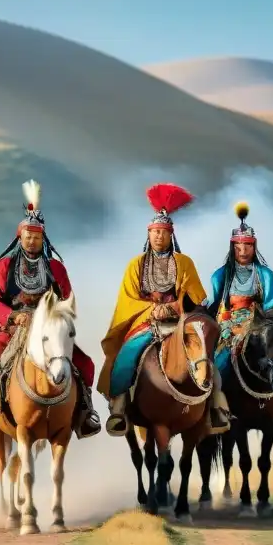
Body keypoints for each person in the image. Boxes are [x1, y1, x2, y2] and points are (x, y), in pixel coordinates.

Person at [0, 180, 101, 441]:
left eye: (36, 237)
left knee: (85, 364)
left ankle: (86, 411)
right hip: (13, 327)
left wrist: (54, 318)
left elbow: (67, 300)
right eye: (28, 236)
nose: (32, 241)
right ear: (20, 236)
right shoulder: (4, 266)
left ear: (43, 239)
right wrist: (13, 316)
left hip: (48, 330)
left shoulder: (56, 269)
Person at [98, 183, 230, 437]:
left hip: (180, 321)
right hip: (146, 324)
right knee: (128, 353)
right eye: (154, 232)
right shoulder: (136, 264)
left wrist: (174, 306)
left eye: (163, 232)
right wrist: (151, 311)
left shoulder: (184, 263)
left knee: (204, 354)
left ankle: (216, 406)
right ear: (148, 234)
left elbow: (195, 298)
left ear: (171, 235)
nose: (158, 236)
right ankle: (119, 407)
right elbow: (128, 299)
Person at [207, 201, 273, 433]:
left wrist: (265, 320)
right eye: (239, 247)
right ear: (232, 247)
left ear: (254, 247)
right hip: (228, 329)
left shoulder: (265, 275)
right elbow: (211, 306)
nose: (243, 251)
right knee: (213, 366)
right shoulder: (220, 275)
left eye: (247, 246)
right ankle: (210, 410)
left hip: (259, 328)